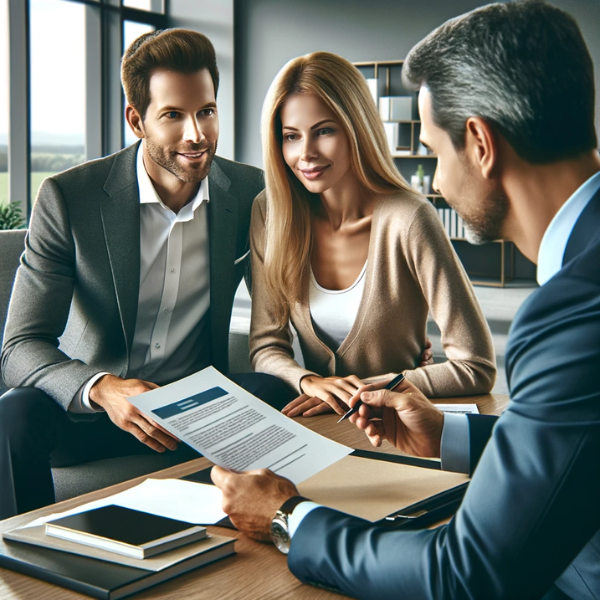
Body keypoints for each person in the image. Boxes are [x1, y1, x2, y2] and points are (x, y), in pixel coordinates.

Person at [212, 2, 600, 598]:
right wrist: (448, 435)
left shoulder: (573, 313)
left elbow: (465, 575)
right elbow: (578, 445)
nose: (437, 181)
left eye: (436, 154)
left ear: (480, 143)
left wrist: (290, 518)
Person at [0, 29, 293, 521]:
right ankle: (26, 563)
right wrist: (103, 387)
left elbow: (288, 301)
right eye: (173, 116)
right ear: (137, 120)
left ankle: (261, 539)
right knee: (14, 413)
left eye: (206, 111)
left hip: (197, 412)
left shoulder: (249, 193)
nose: (196, 134)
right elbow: (20, 346)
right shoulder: (70, 198)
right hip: (90, 415)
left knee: (277, 395)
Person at [249, 51, 496, 419]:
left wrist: (372, 388)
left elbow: (476, 365)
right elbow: (265, 346)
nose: (306, 154)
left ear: (357, 127)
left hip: (400, 425)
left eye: (324, 131)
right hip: (319, 423)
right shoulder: (270, 213)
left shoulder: (409, 219)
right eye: (291, 136)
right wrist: (307, 381)